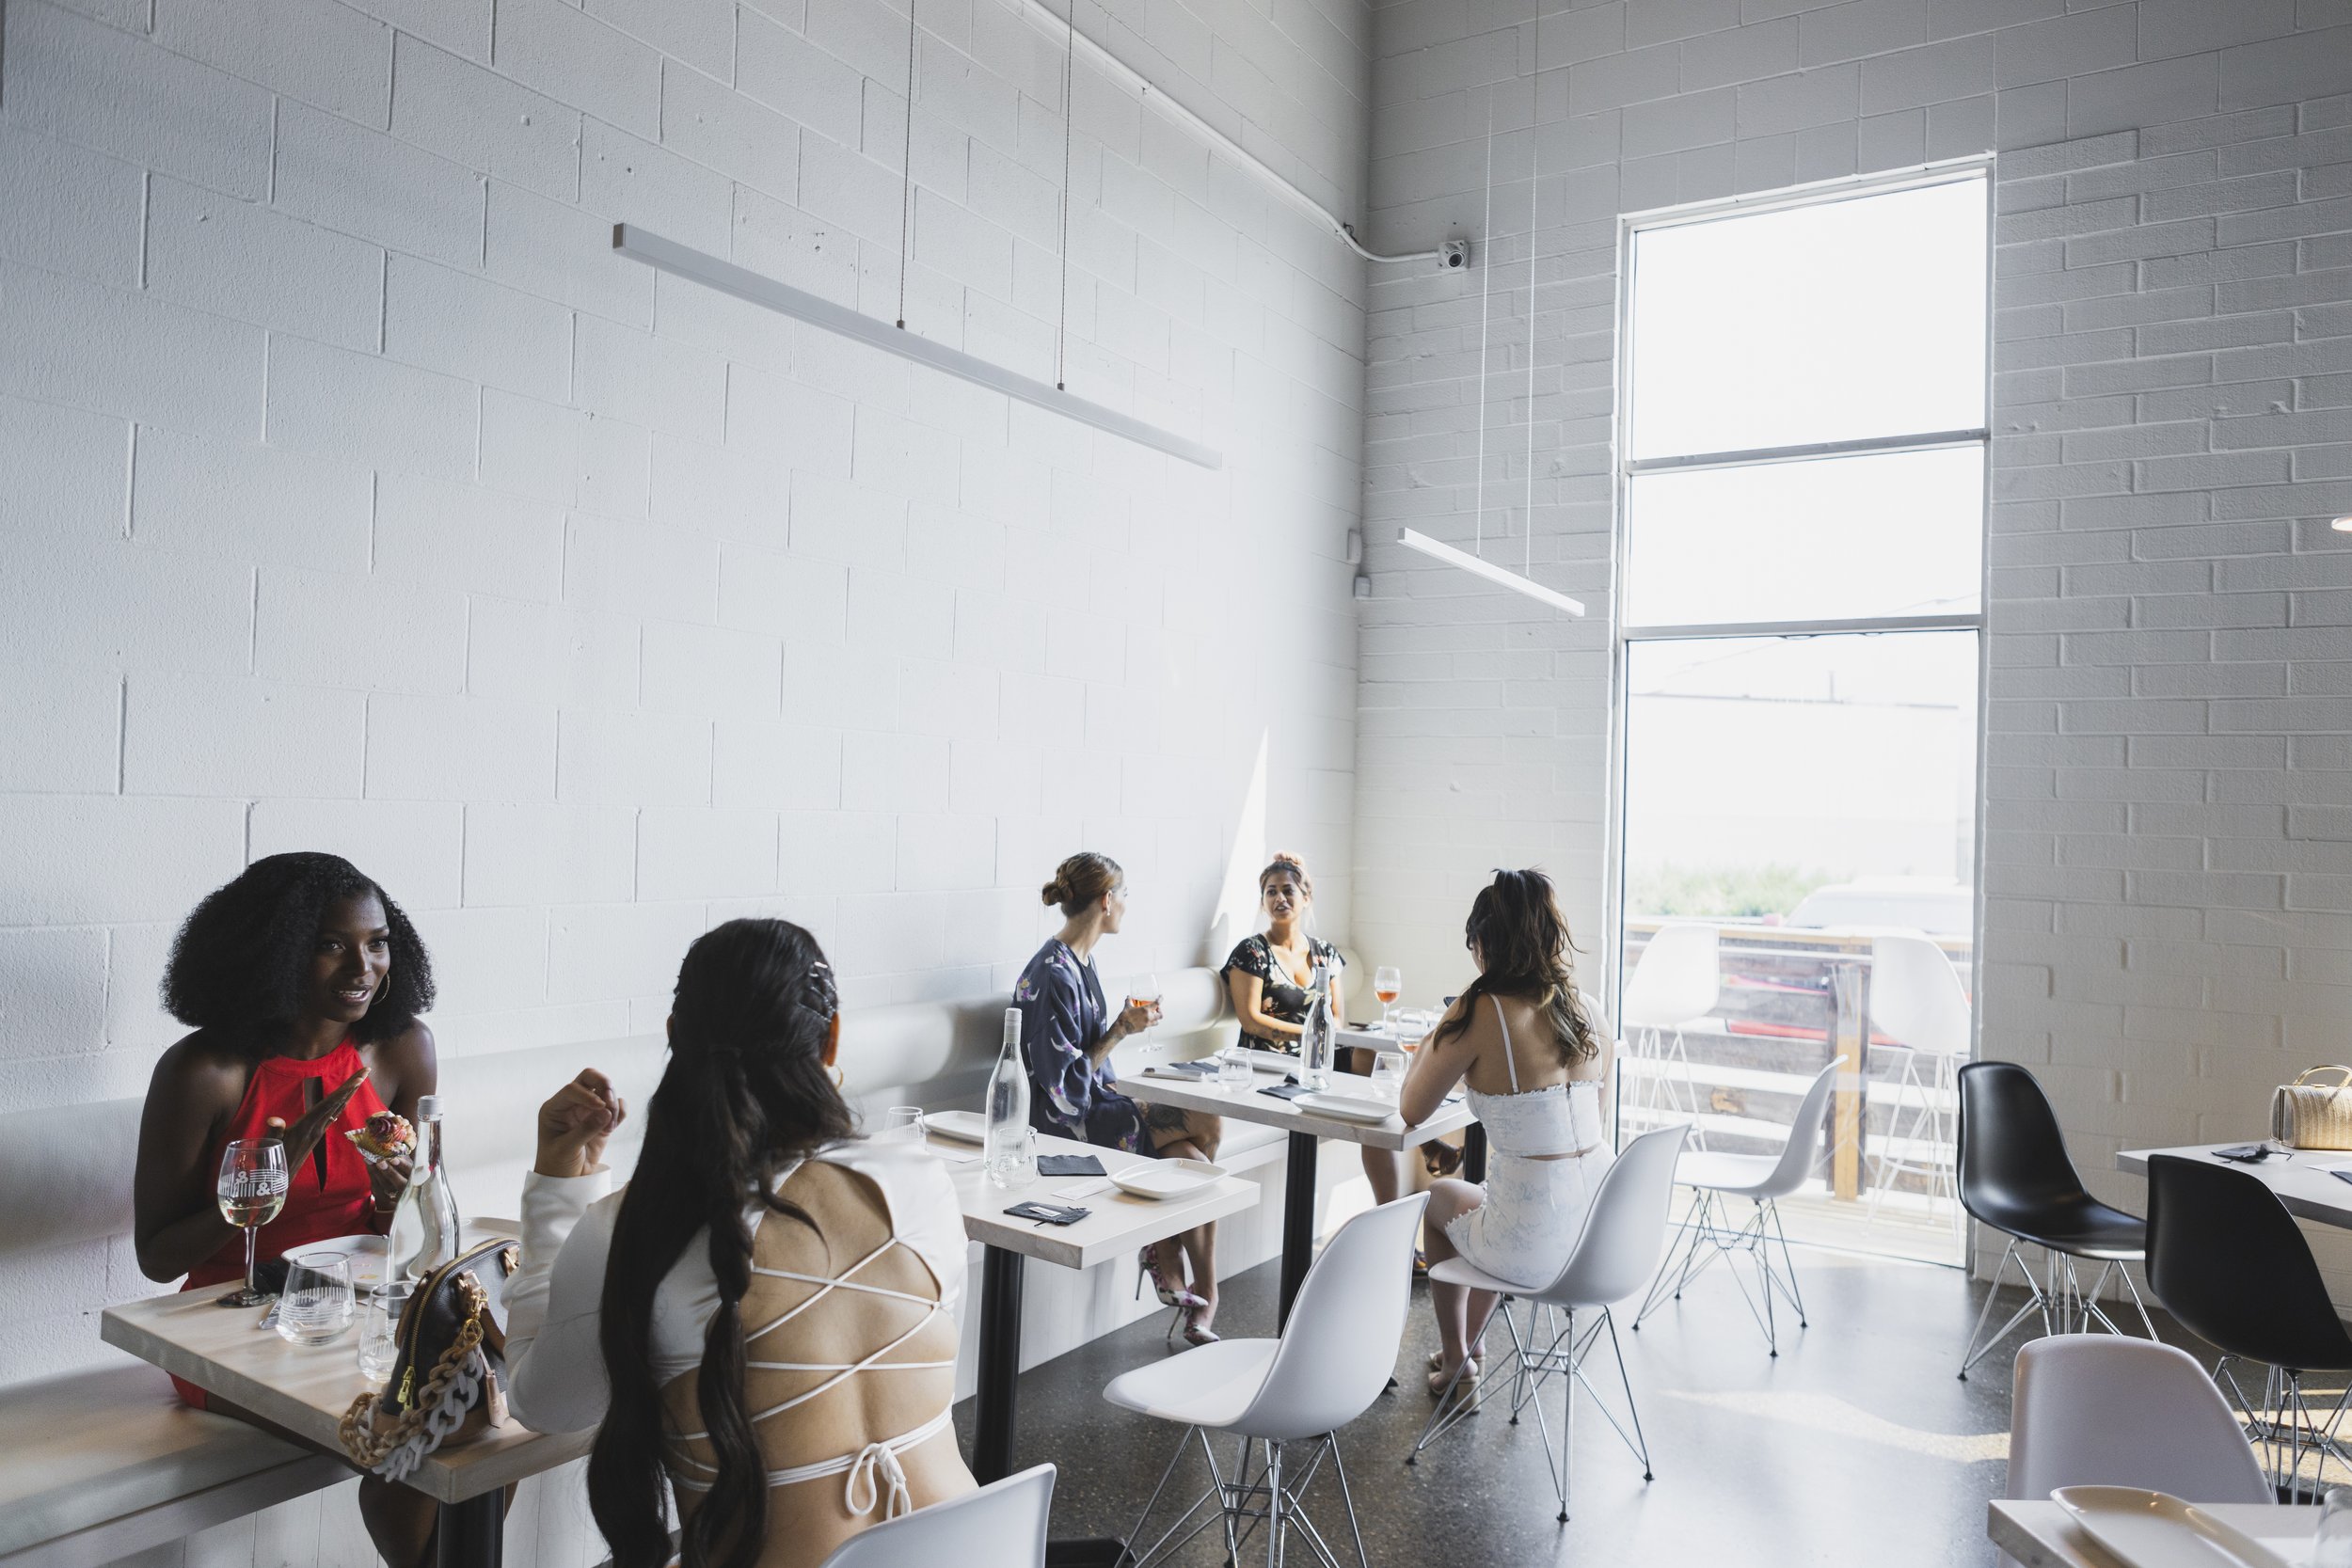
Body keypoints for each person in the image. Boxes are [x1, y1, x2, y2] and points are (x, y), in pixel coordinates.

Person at [503, 919, 975, 1568]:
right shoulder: (922, 1181)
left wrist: (558, 1192)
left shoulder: (627, 1230)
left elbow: (542, 1403)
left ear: (675, 1037)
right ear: (832, 1037)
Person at [132, 852, 439, 1567]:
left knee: (478, 1409)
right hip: (230, 1326)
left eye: (378, 941)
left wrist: (404, 1200)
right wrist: (267, 1181)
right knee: (417, 1432)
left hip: (362, 1317)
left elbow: (420, 1228)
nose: (363, 966)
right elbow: (158, 1256)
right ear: (274, 950)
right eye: (331, 944)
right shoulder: (204, 1072)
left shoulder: (402, 1050)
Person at [1400, 868, 1611, 1401]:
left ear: (1484, 943)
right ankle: (1468, 1349)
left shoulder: (1481, 1010)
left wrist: (1442, 1024)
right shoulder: (1588, 1013)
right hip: (1599, 1241)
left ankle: (1457, 1361)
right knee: (1495, 1205)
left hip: (1533, 1249)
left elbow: (1411, 1109)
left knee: (1440, 1198)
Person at [1014, 852, 1225, 1344]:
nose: (1127, 905)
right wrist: (1121, 1030)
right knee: (1207, 1124)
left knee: (1195, 1160)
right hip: (1064, 1122)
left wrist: (1121, 1033)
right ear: (1107, 901)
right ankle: (1178, 1264)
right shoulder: (1052, 974)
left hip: (1096, 1101)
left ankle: (1193, 1279)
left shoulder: (1079, 961)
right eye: (1124, 895)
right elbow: (1064, 1093)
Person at [1221, 853, 1412, 1215]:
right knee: (1368, 1103)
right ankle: (1421, 1157)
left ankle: (1392, 1216)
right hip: (1273, 1062)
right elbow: (1252, 1021)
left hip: (1320, 1058)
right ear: (1262, 902)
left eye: (1288, 891)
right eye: (1271, 892)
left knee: (1374, 1075)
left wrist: (1321, 1039)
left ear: (1305, 898)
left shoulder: (1324, 953)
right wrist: (1311, 1034)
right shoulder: (1252, 952)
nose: (1280, 899)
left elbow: (1338, 1019)